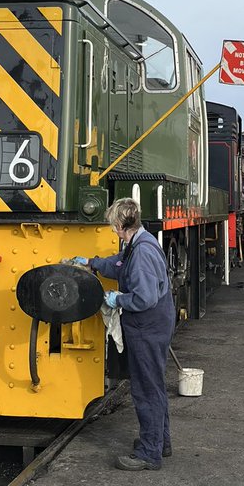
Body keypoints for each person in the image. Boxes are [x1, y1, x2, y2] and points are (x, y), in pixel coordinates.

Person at [69, 198, 173, 471]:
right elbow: (118, 264)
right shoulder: (139, 241)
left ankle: (150, 453)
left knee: (145, 388)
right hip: (153, 325)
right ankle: (161, 441)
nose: (112, 230)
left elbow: (145, 298)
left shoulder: (141, 254)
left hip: (146, 326)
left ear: (119, 224)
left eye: (112, 225)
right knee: (155, 384)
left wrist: (119, 299)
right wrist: (93, 263)